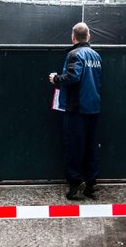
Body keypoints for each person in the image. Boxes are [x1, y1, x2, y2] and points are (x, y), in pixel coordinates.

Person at [49, 22, 102, 200]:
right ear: (89, 37)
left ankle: (75, 184)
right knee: (90, 146)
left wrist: (55, 78)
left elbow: (73, 76)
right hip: (93, 107)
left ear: (73, 37)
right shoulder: (96, 56)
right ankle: (91, 183)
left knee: (74, 146)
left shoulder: (74, 54)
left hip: (77, 108)